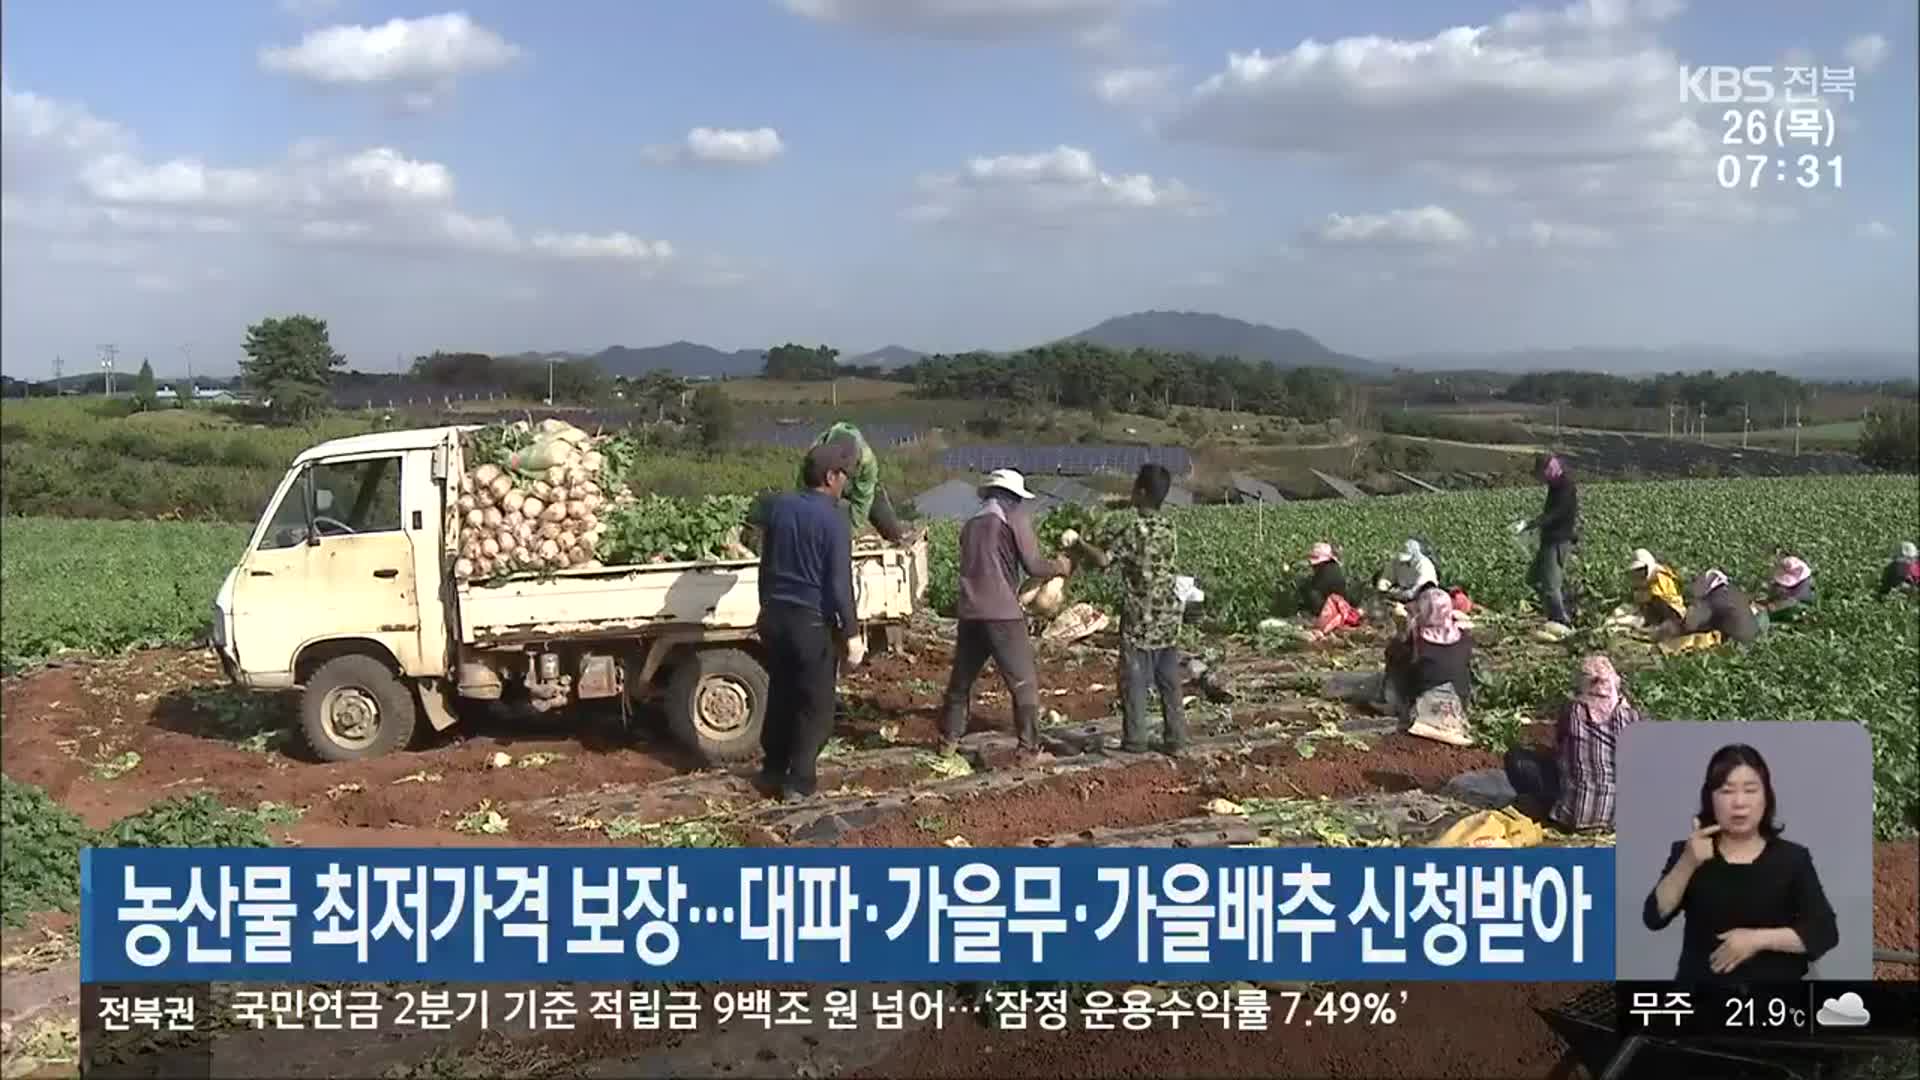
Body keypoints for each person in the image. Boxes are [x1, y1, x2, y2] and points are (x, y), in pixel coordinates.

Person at [1642, 743, 1839, 982]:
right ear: (1710, 799)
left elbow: (1825, 932)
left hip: (1775, 1005)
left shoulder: (1793, 859)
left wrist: (1755, 940)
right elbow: (1654, 916)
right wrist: (1687, 862)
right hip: (1702, 1003)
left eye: (1750, 790)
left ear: (1766, 797)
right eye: (1726, 791)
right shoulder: (1689, 852)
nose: (1739, 803)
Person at [750, 441, 864, 803]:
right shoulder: (834, 517)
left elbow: (765, 566)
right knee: (815, 705)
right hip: (809, 622)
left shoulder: (780, 507)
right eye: (843, 475)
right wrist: (852, 633)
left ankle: (772, 769)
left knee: (782, 695)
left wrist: (764, 608)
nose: (845, 482)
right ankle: (799, 783)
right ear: (830, 476)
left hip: (775, 616)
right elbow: (838, 583)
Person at [939, 469, 1072, 761]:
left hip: (971, 612)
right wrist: (1060, 566)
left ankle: (948, 741)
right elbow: (1034, 565)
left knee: (961, 682)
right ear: (1013, 497)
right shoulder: (1013, 518)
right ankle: (1028, 749)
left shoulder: (971, 524)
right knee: (1023, 682)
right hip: (1002, 613)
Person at [1069, 464, 1188, 757]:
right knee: (1168, 679)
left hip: (1141, 617)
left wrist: (1079, 543)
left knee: (1134, 678)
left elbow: (1103, 560)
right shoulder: (1169, 527)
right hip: (1169, 614)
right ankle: (1176, 739)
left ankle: (1135, 740)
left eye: (1136, 487)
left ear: (1143, 492)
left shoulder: (1135, 530)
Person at [1503, 655, 1644, 832]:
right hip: (1616, 820)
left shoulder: (1573, 711)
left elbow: (1558, 748)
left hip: (1572, 819)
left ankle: (1540, 808)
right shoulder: (1633, 717)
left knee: (1517, 758)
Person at [1380, 587, 1474, 746]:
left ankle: (1395, 703)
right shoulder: (1463, 638)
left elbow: (1391, 657)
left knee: (1398, 665)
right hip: (1458, 703)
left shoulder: (1418, 640)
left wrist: (1401, 631)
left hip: (1423, 703)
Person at [799, 421, 912, 545]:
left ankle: (897, 539)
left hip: (858, 488)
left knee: (884, 516)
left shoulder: (867, 462)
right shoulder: (815, 455)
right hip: (824, 486)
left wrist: (850, 535)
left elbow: (861, 504)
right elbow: (805, 495)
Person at [1516, 453, 1579, 629]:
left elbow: (1556, 514)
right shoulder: (1555, 485)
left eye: (1541, 473)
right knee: (1534, 579)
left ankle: (1562, 621)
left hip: (1558, 541)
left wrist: (1533, 524)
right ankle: (1557, 610)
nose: (1541, 478)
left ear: (1549, 469)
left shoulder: (1565, 486)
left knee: (1551, 585)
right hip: (1549, 540)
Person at [1661, 569, 1762, 654]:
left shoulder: (1711, 600)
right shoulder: (1736, 593)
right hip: (1753, 640)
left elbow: (1690, 624)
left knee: (1693, 640)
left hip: (1733, 643)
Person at [1620, 548, 1686, 635]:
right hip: (1658, 611)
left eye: (1641, 569)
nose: (1640, 572)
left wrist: (1644, 595)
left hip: (1674, 611)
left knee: (1656, 600)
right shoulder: (1646, 579)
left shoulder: (1660, 576)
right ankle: (1653, 624)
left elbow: (1658, 596)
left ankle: (1662, 625)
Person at [1374, 539, 1438, 620]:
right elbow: (1386, 578)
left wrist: (1395, 594)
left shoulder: (1424, 566)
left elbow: (1416, 591)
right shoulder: (1396, 562)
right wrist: (1381, 589)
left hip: (1419, 598)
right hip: (1399, 593)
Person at [1296, 541, 1350, 615]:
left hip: (1328, 609)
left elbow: (1316, 588)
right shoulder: (1333, 567)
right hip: (1340, 604)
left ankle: (1313, 615)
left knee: (1308, 590)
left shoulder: (1325, 571)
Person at [1760, 555, 1816, 623]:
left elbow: (1776, 606)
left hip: (1795, 603)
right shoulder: (1792, 568)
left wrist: (1766, 605)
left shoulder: (1797, 594)